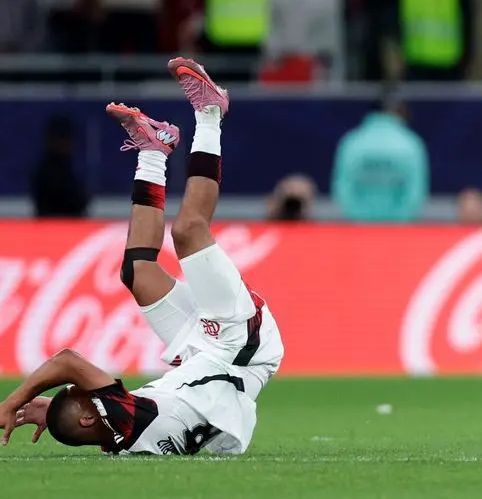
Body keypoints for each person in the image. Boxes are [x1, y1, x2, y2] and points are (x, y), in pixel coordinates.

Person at [0, 58, 284, 455]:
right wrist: (15, 398)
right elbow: (67, 362)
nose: (97, 387)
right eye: (87, 396)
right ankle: (210, 113)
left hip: (206, 358)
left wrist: (55, 412)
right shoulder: (124, 420)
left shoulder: (124, 441)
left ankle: (154, 150)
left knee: (137, 273)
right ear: (90, 418)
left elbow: (92, 415)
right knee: (188, 232)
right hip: (239, 345)